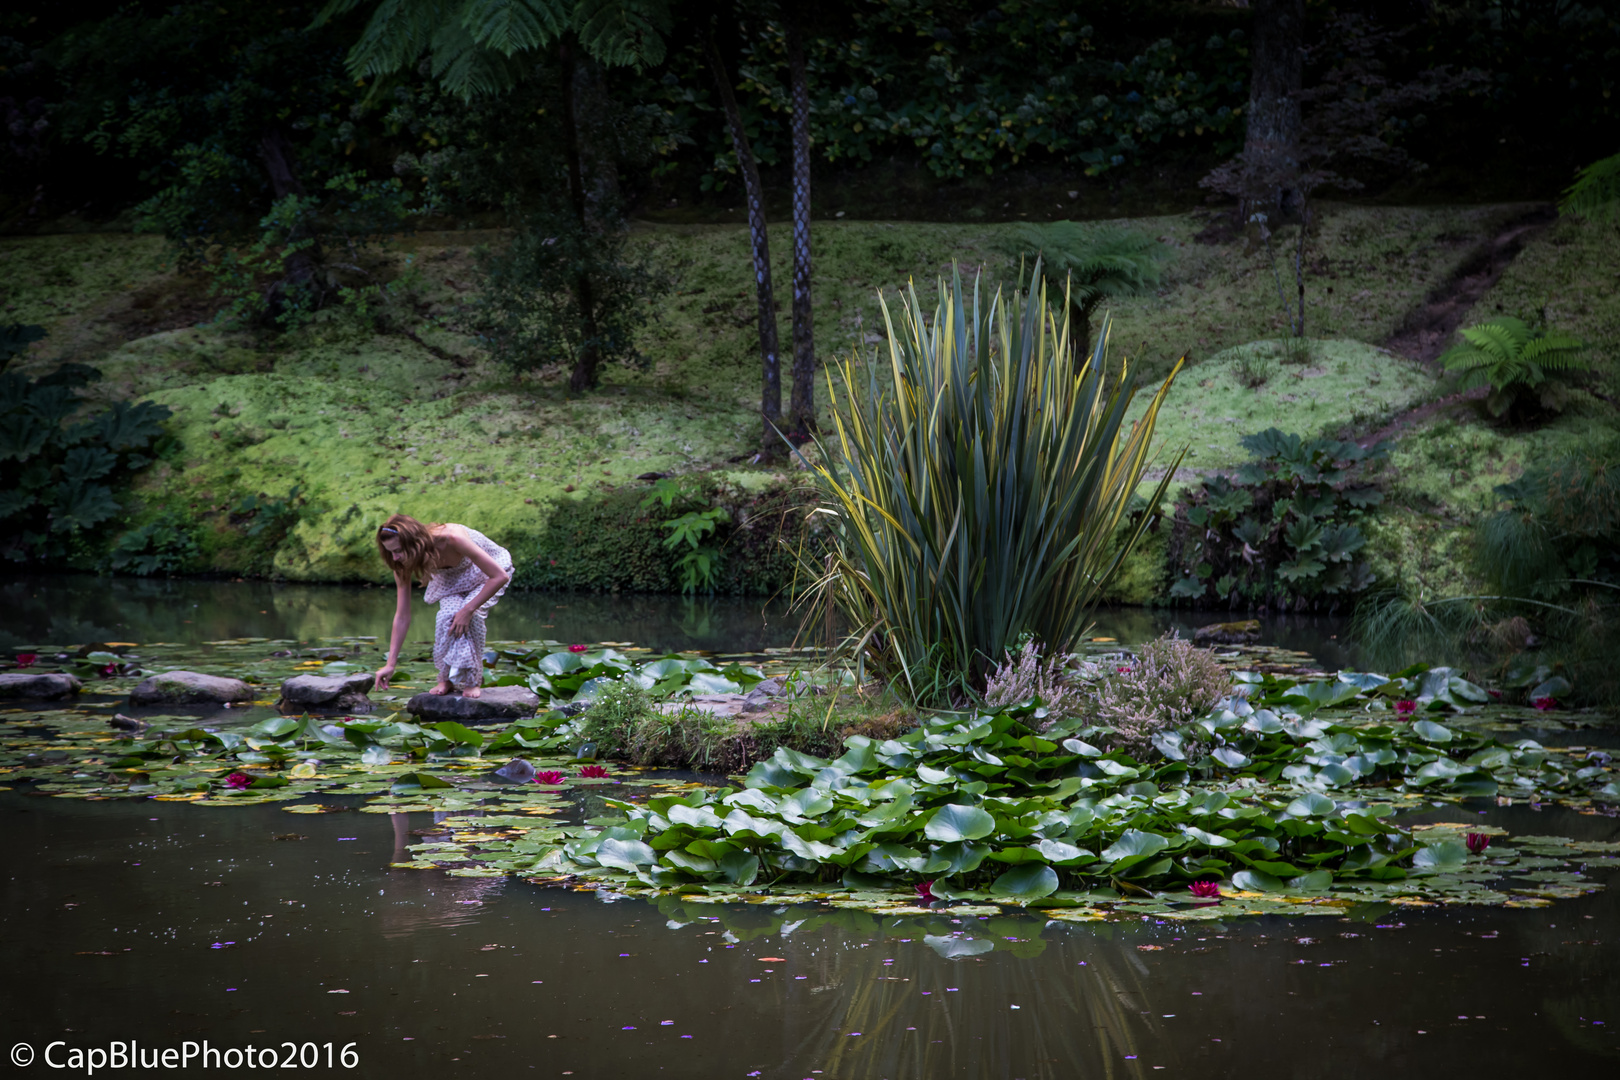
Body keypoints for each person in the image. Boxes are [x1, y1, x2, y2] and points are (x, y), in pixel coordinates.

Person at [373, 514, 513, 698]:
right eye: (390, 551)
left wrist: (468, 609)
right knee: (446, 616)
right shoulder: (400, 562)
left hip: (486, 573)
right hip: (452, 579)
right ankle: (445, 679)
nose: (395, 557)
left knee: (471, 617)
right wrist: (390, 664)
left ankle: (472, 681)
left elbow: (499, 576)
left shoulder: (452, 538)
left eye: (398, 550)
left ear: (416, 543)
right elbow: (402, 616)